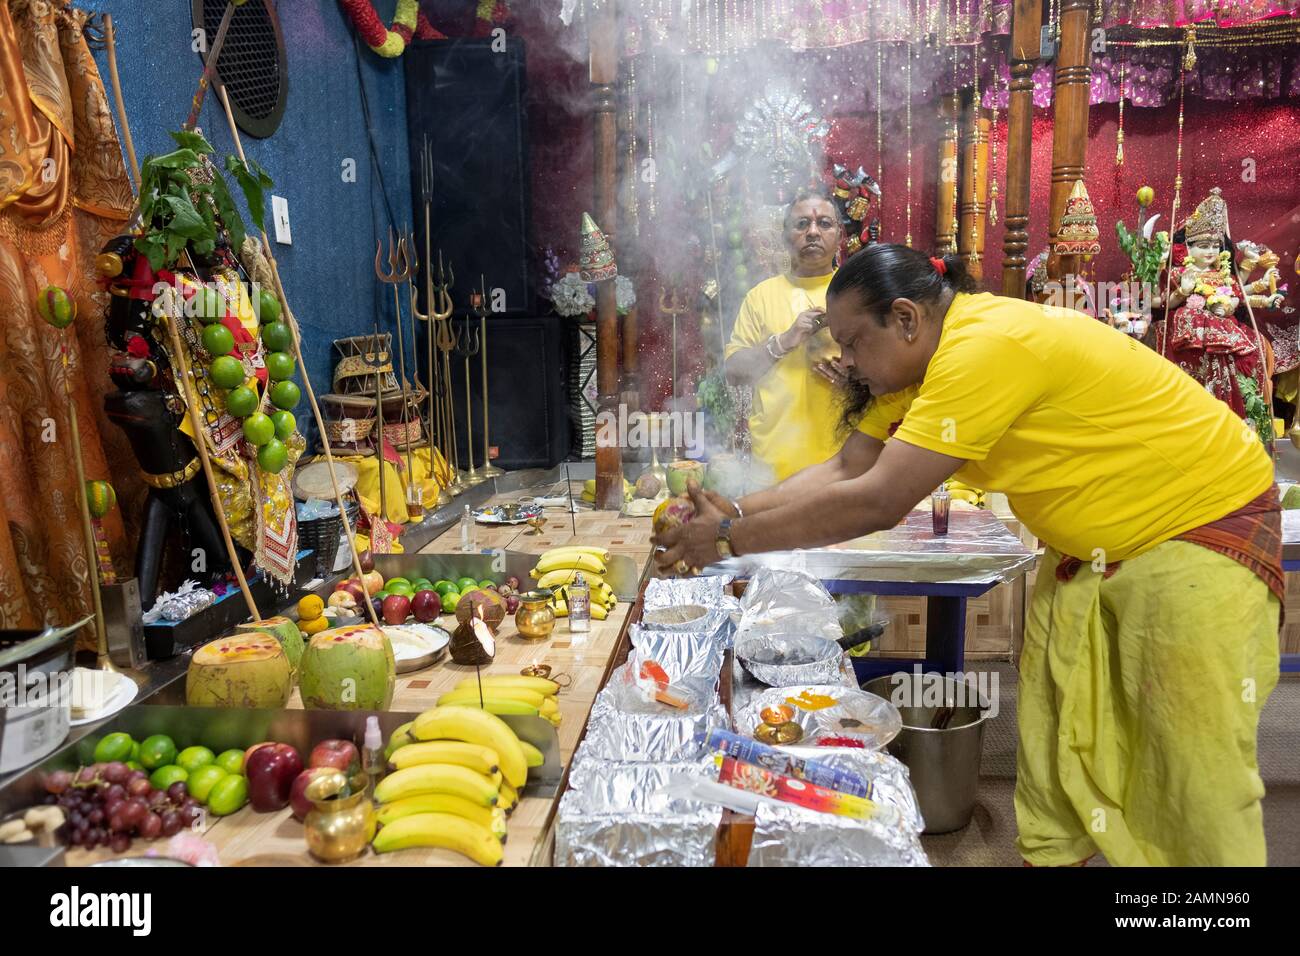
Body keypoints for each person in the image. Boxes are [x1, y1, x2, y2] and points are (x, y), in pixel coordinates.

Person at [655, 243, 1281, 867]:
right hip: (1093, 552)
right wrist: (735, 514)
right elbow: (847, 466)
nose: (843, 361)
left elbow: (878, 500)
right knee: (1058, 732)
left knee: (1190, 764)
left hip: (1195, 534)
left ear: (904, 319)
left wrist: (731, 542)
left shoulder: (984, 346)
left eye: (851, 343)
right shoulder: (923, 363)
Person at [724, 187, 845, 484]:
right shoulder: (760, 296)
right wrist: (781, 343)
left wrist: (856, 378)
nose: (813, 232)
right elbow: (733, 371)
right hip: (772, 467)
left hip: (843, 463)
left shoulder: (857, 292)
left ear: (839, 234)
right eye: (802, 224)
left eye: (824, 223)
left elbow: (894, 374)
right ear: (784, 236)